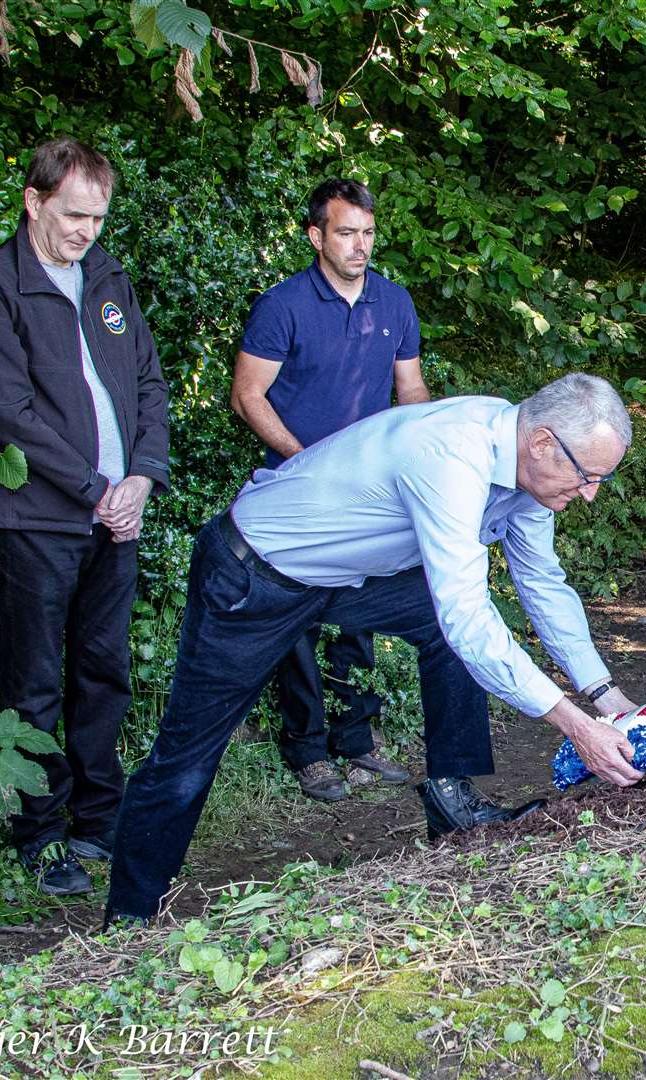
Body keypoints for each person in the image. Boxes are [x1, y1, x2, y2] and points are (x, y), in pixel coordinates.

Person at [105, 373, 646, 925]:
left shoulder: (529, 473)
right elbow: (468, 613)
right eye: (588, 476)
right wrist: (575, 726)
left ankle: (452, 801)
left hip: (343, 577)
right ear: (543, 444)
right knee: (189, 753)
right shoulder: (451, 455)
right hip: (256, 573)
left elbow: (541, 582)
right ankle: (130, 916)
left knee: (442, 629)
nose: (590, 494)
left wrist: (607, 698)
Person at [0, 138, 171, 896]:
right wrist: (92, 487)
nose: (86, 232)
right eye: (73, 215)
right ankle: (40, 834)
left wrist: (141, 476)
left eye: (98, 218)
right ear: (34, 201)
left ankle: (100, 818)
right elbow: (7, 411)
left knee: (104, 672)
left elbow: (148, 383)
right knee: (36, 683)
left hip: (118, 515)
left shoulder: (108, 276)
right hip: (40, 517)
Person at [231, 178, 427, 802]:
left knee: (359, 618)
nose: (359, 245)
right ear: (317, 236)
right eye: (346, 233)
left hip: (372, 493)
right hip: (298, 491)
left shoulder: (394, 304)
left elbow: (412, 392)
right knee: (299, 620)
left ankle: (358, 739)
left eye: (368, 232)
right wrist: (306, 461)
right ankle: (308, 749)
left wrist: (418, 456)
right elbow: (247, 395)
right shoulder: (282, 306)